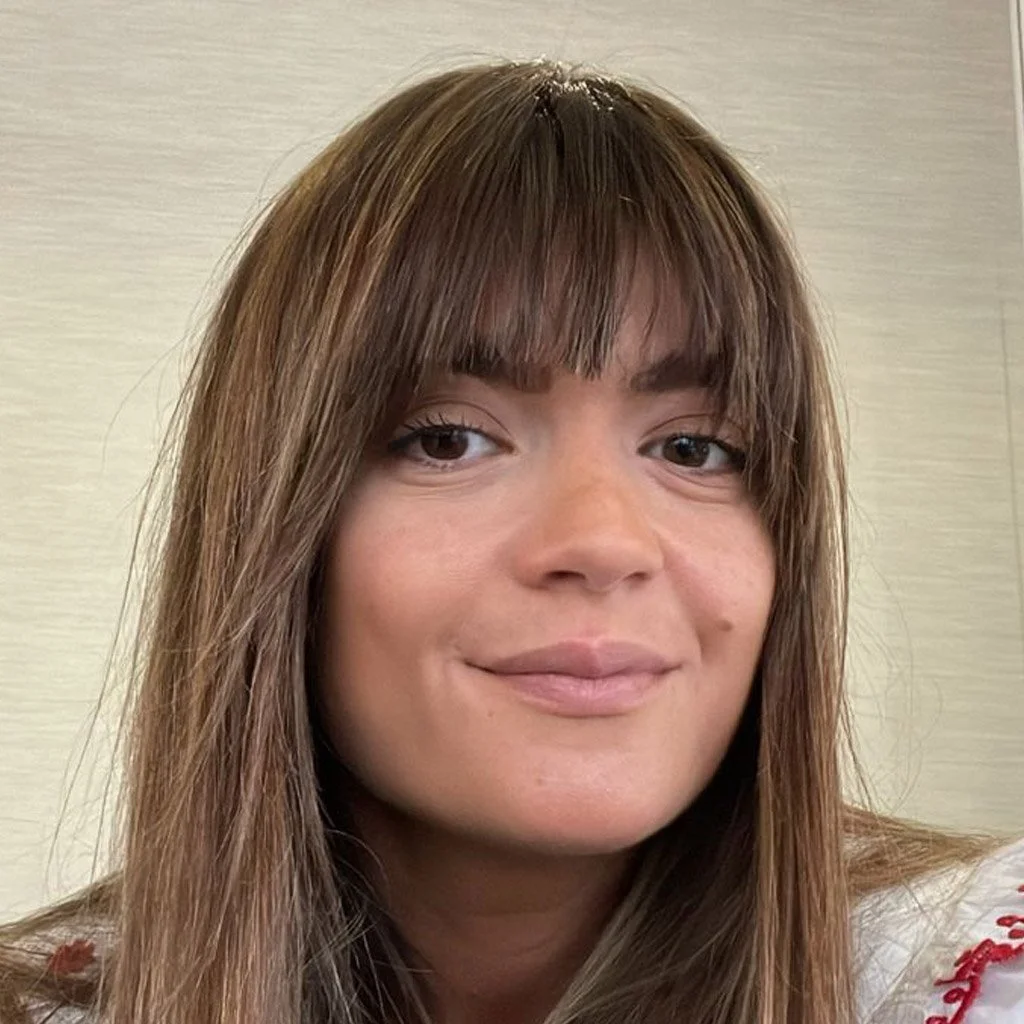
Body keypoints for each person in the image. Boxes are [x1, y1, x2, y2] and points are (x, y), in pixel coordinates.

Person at [0, 58, 1020, 1024]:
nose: (603, 540)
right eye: (449, 439)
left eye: (693, 447)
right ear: (280, 533)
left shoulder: (968, 972)